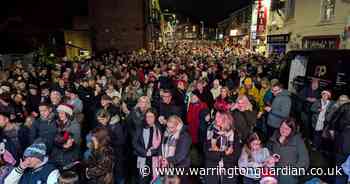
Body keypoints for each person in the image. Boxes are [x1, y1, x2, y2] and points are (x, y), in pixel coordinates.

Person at [267, 118, 309, 184]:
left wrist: (292, 171)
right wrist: (271, 156)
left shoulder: (297, 140)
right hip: (273, 171)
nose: (283, 130)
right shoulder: (275, 135)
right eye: (282, 127)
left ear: (292, 130)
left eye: (287, 129)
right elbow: (268, 149)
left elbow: (304, 160)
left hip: (288, 175)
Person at [204, 111, 241, 184]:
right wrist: (223, 154)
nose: (216, 118)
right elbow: (207, 152)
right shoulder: (210, 132)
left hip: (228, 169)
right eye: (216, 116)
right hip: (212, 169)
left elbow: (235, 155)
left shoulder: (234, 134)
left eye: (219, 116)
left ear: (226, 119)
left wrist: (219, 154)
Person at [133, 109, 162, 184]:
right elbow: (134, 142)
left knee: (153, 178)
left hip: (154, 159)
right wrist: (145, 152)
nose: (149, 118)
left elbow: (160, 145)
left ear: (155, 117)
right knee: (143, 178)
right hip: (142, 157)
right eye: (147, 116)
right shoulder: (140, 127)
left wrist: (152, 152)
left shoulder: (158, 128)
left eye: (151, 116)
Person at [161, 115, 191, 184]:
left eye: (172, 128)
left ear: (178, 126)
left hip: (181, 167)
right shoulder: (166, 133)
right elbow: (162, 145)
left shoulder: (184, 136)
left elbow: (181, 155)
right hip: (169, 167)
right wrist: (161, 155)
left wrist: (168, 160)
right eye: (168, 127)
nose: (169, 130)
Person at [51, 104, 81, 170]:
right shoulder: (59, 123)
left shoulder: (75, 126)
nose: (60, 115)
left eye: (62, 113)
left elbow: (76, 142)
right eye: (59, 113)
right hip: (61, 148)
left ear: (68, 114)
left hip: (70, 151)